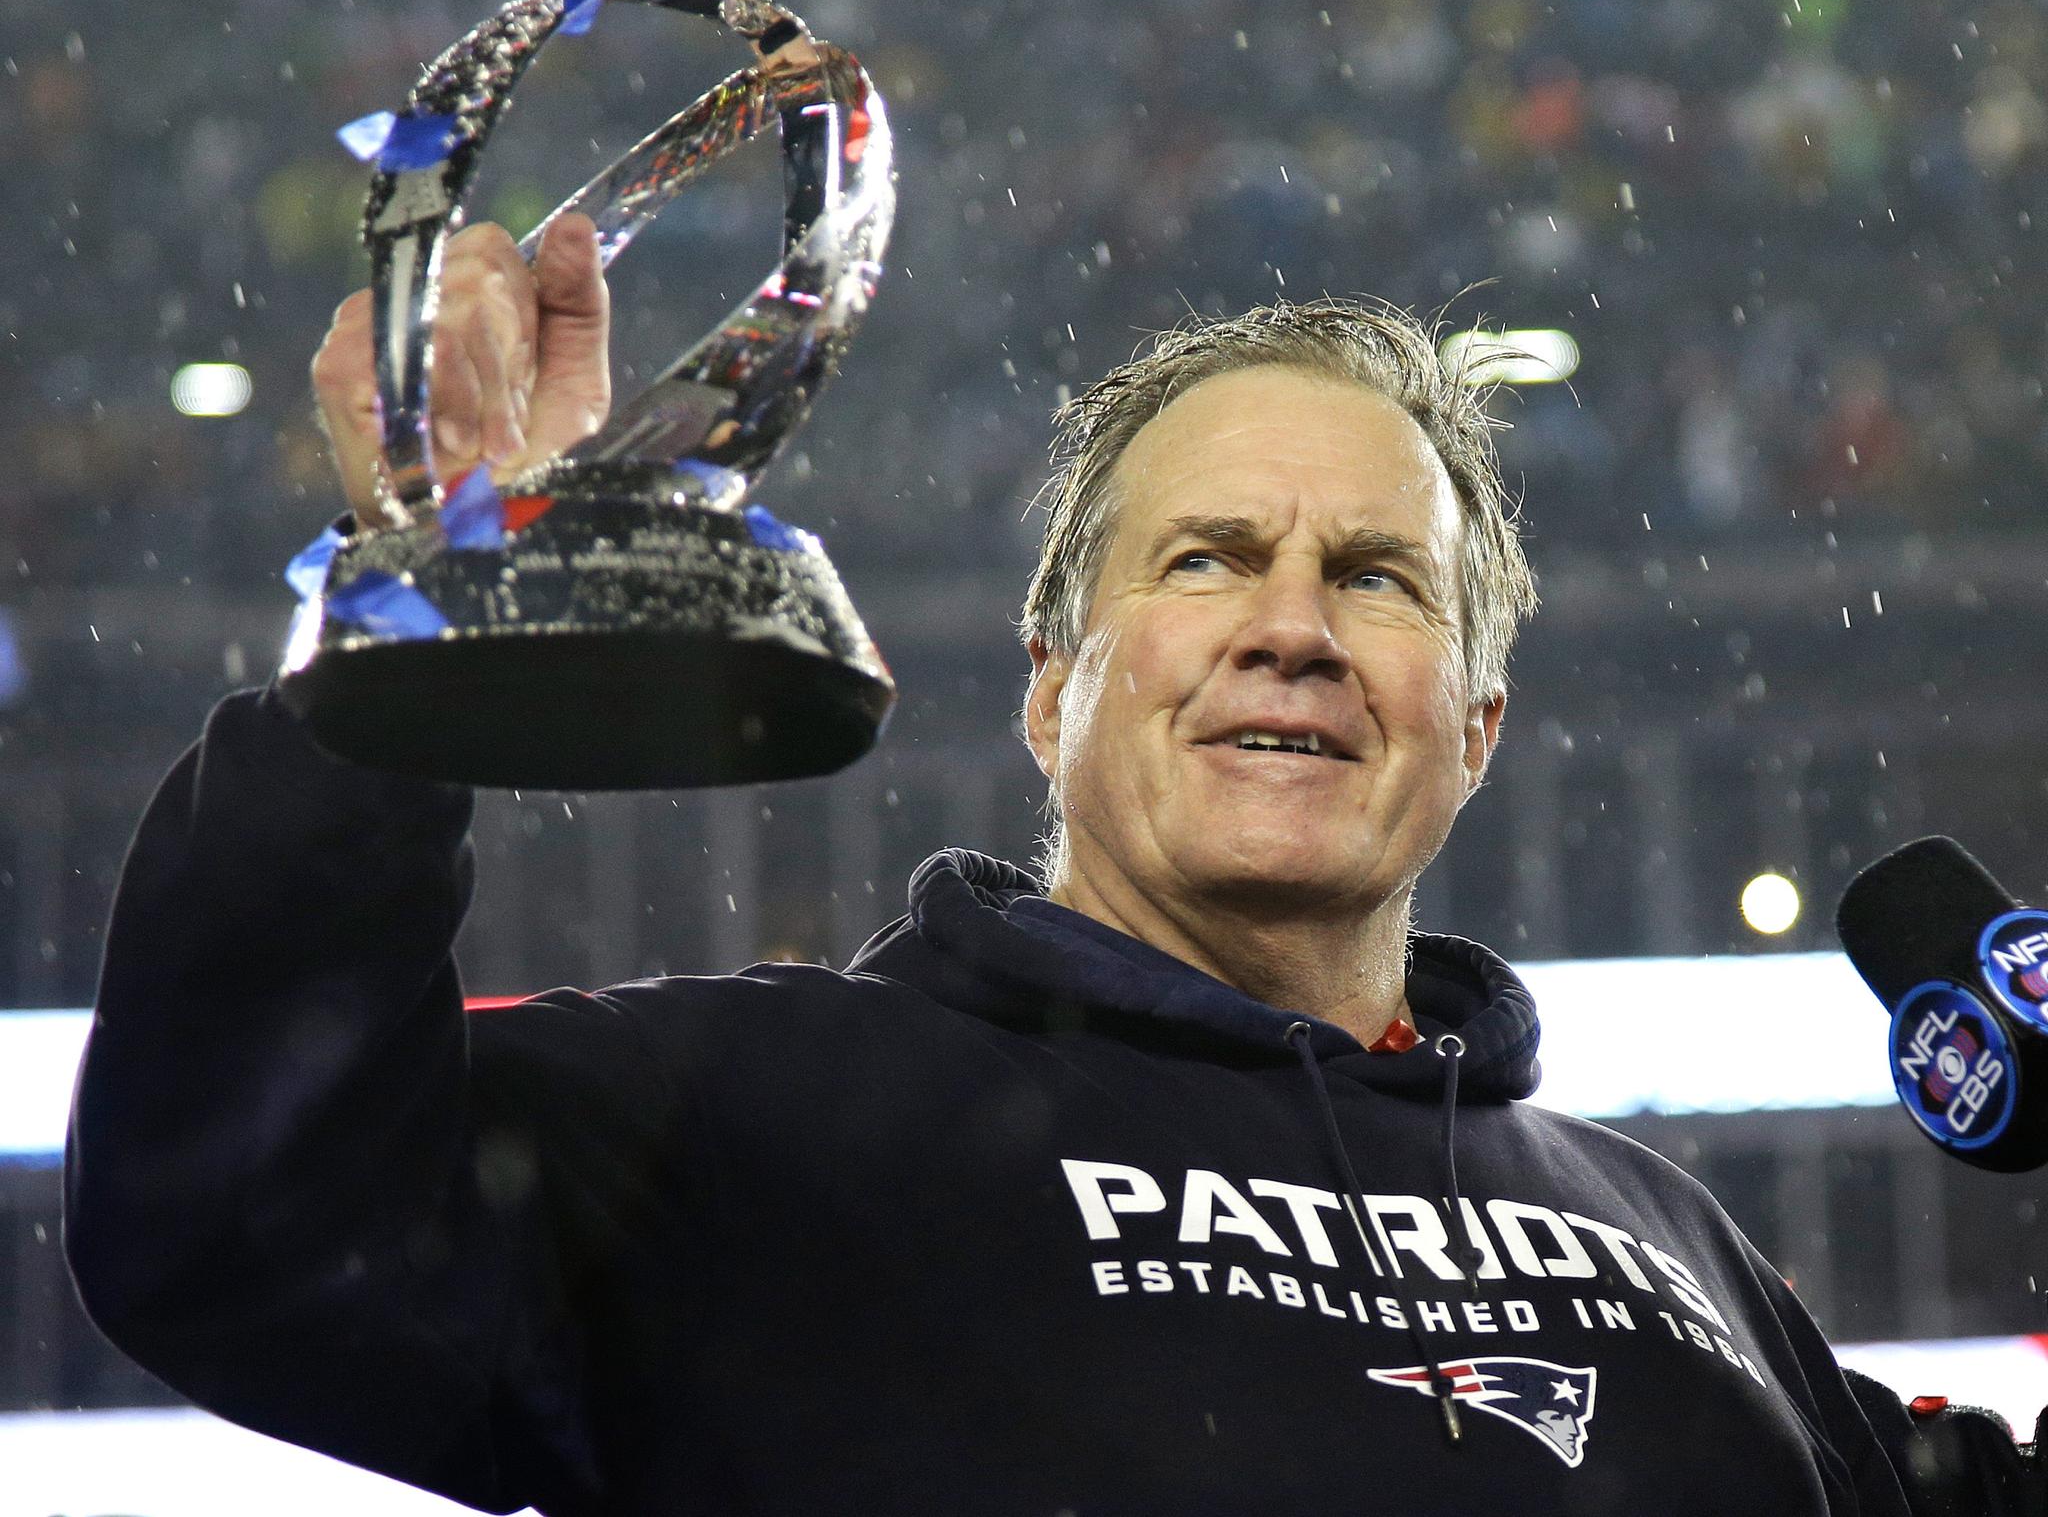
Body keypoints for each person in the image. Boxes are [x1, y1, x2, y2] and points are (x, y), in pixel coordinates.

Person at [60, 215, 2034, 1515]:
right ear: (1051, 688)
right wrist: (415, 631)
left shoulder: (1674, 1244)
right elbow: (234, 1222)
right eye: (1202, 558)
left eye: (1372, 576)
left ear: (1476, 727)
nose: (1289, 624)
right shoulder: (752, 1115)